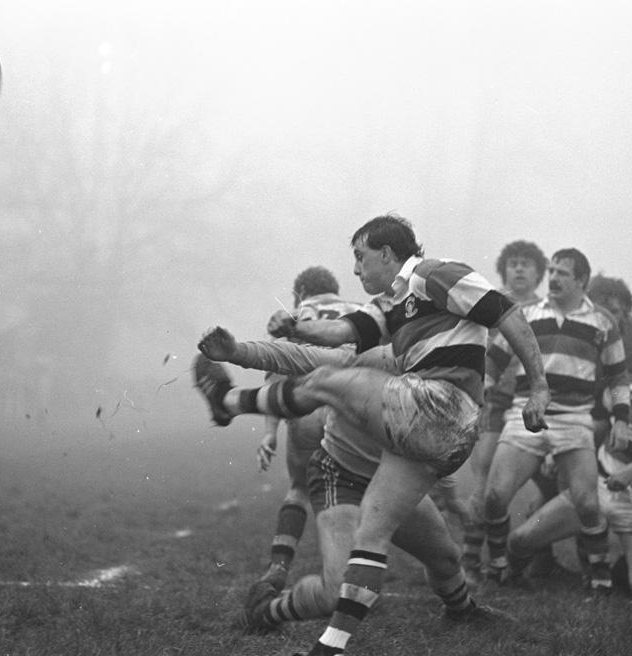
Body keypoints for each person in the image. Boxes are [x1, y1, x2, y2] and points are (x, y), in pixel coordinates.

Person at [193, 214, 550, 656]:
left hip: (432, 416)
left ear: (387, 253)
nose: (357, 270)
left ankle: (226, 404)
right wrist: (251, 346)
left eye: (360, 258)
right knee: (416, 559)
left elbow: (502, 310)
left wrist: (538, 384)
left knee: (328, 382)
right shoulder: (387, 321)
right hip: (354, 465)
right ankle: (294, 624)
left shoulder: (429, 278)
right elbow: (314, 347)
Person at [201, 327, 510, 635]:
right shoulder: (368, 353)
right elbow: (294, 356)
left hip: (392, 479)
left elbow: (435, 441)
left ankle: (462, 612)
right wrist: (237, 352)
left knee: (445, 558)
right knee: (337, 591)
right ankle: (265, 612)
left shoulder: (444, 363)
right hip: (342, 476)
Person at [505, 333, 632, 599]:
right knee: (519, 540)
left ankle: (620, 568)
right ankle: (512, 580)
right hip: (595, 489)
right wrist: (559, 455)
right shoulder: (630, 388)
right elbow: (597, 422)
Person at [482, 248, 630, 592]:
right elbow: (493, 362)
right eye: (552, 271)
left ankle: (600, 577)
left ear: (582, 280)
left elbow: (618, 379)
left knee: (587, 501)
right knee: (494, 497)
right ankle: (500, 571)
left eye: (563, 272)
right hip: (526, 413)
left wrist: (621, 419)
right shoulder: (524, 314)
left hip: (574, 420)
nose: (555, 278)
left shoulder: (603, 321)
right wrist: (479, 396)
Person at [253, 266, 362, 592]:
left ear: (300, 293)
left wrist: (270, 431)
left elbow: (276, 370)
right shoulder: (359, 311)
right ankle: (354, 576)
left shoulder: (294, 315)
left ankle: (278, 566)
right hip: (351, 405)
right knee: (362, 492)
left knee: (299, 489)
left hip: (307, 408)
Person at [462, 240, 548, 580]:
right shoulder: (488, 303)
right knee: (484, 479)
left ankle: (542, 556)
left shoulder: (546, 309)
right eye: (513, 263)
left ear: (539, 272)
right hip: (495, 399)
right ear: (503, 269)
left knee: (548, 483)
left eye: (527, 263)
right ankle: (470, 560)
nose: (520, 269)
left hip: (536, 403)